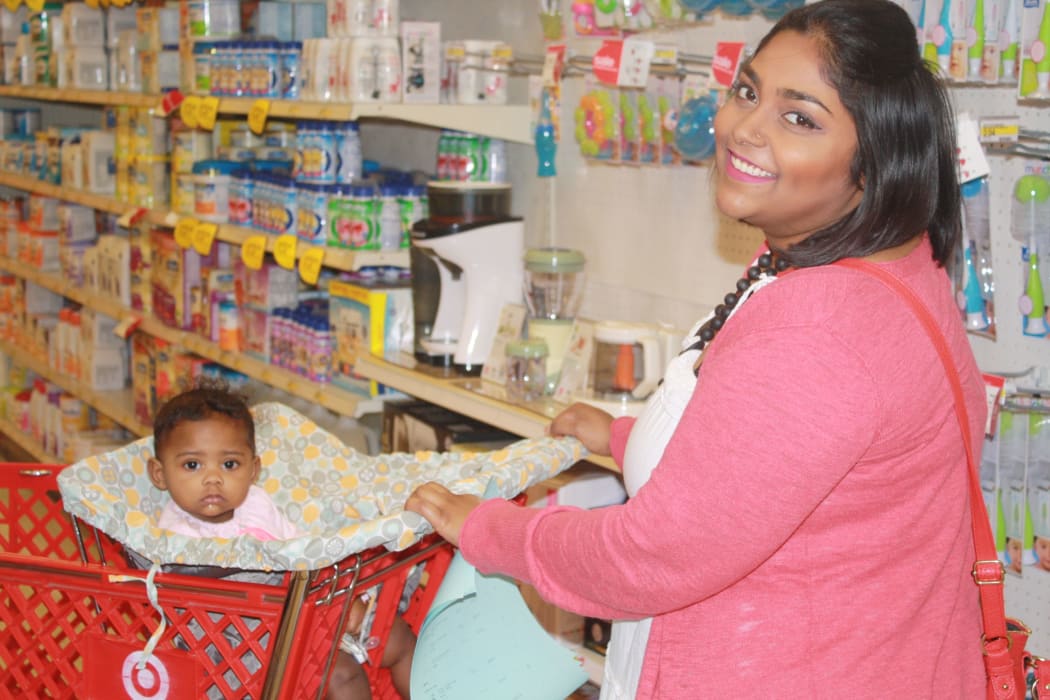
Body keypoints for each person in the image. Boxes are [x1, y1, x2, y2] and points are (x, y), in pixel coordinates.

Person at [406, 0, 987, 697]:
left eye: (800, 118)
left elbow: (647, 558)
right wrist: (624, 437)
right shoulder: (897, 272)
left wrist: (492, 531)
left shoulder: (821, 327)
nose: (745, 128)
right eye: (748, 90)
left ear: (875, 162)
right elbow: (777, 473)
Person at [148, 381, 415, 699]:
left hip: (304, 619)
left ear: (253, 469)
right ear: (160, 474)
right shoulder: (175, 535)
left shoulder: (257, 504)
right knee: (341, 676)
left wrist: (344, 599)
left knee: (397, 637)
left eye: (229, 464)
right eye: (192, 465)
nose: (213, 478)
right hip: (242, 648)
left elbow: (305, 550)